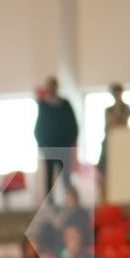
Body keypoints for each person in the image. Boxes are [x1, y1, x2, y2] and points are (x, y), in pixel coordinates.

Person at [33, 77, 79, 207]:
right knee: (49, 176)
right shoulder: (43, 106)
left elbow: (72, 125)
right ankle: (50, 203)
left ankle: (69, 201)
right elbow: (38, 129)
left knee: (66, 176)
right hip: (49, 148)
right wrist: (42, 146)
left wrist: (71, 142)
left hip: (64, 147)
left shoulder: (65, 104)